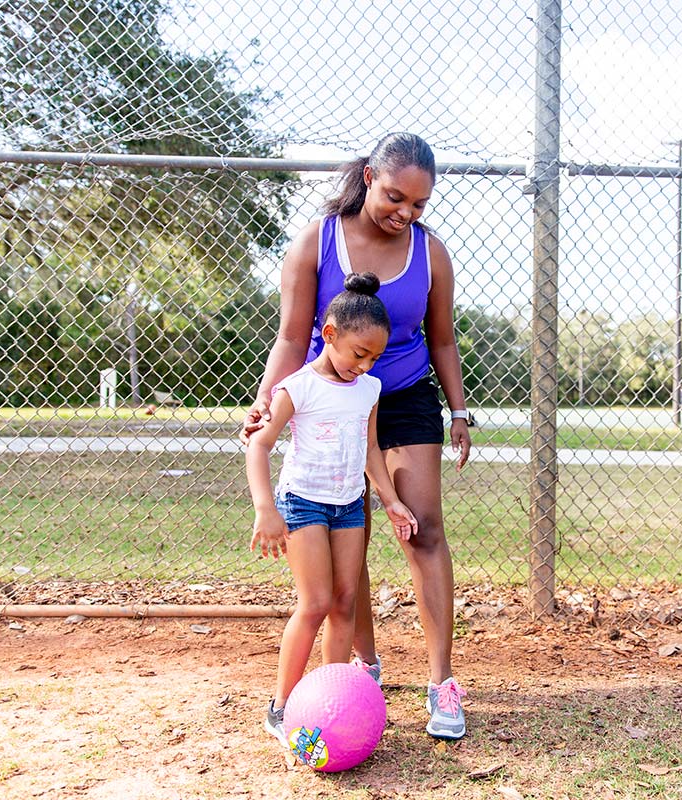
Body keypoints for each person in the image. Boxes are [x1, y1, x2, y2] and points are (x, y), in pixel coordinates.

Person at [241, 132, 473, 740]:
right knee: (352, 533)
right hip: (331, 403)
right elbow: (293, 338)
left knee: (421, 526)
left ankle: (441, 681)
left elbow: (443, 339)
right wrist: (268, 400)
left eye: (419, 205)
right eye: (397, 197)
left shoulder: (430, 252)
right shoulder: (318, 241)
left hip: (403, 396)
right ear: (370, 177)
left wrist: (458, 411)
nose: (407, 213)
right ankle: (361, 670)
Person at [246, 272, 419, 749]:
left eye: (375, 357)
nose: (363, 365)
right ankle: (281, 708)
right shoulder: (297, 388)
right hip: (302, 503)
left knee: (345, 604)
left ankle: (328, 703)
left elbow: (369, 451)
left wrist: (390, 500)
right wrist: (266, 510)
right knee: (316, 602)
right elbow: (257, 449)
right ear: (330, 335)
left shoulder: (369, 390)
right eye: (357, 353)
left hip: (348, 506)